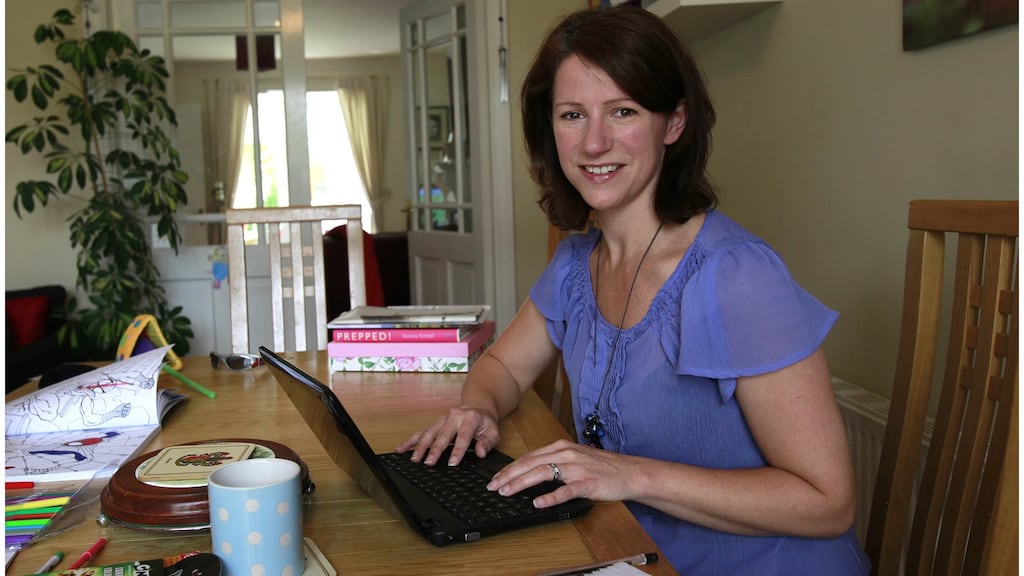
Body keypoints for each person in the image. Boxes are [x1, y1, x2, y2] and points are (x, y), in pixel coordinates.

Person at [397, 5, 871, 574]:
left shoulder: (737, 275)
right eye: (572, 115)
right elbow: (502, 366)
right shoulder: (576, 263)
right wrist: (477, 410)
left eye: (623, 111)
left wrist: (628, 474)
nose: (594, 142)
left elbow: (828, 503)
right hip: (623, 551)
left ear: (673, 124)